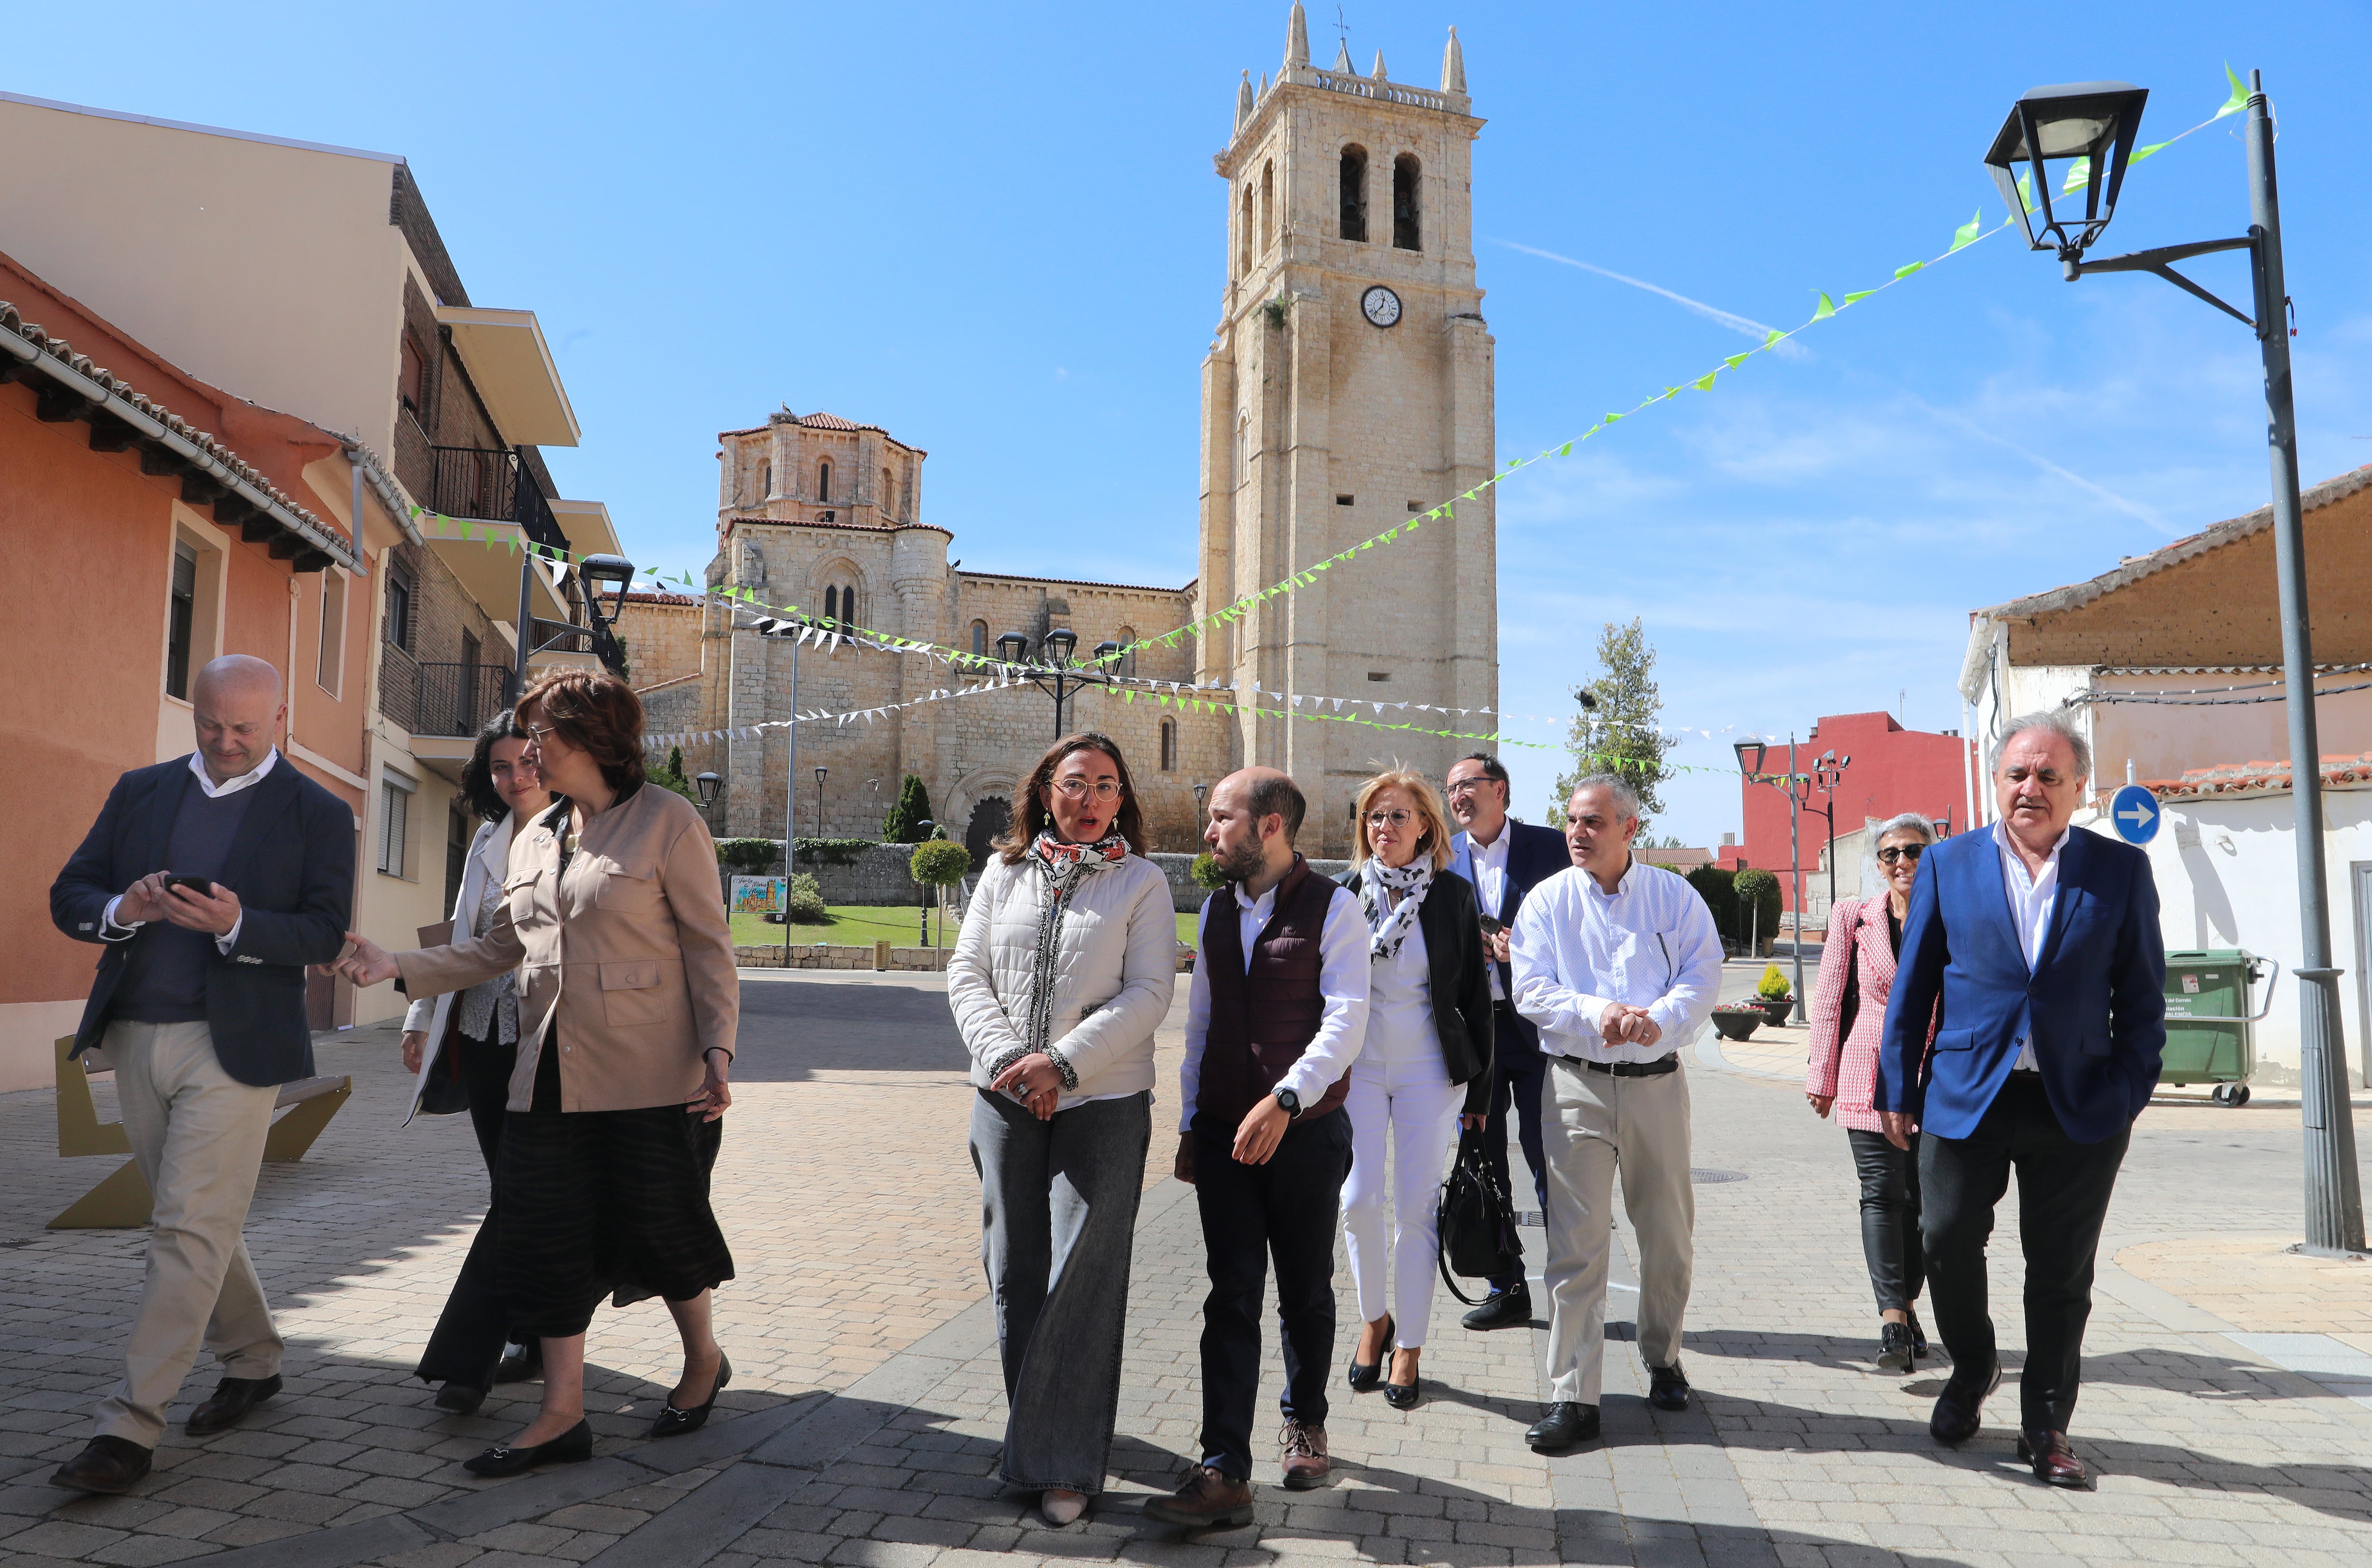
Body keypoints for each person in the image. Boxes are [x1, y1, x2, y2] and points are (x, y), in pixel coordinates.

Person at [328, 669, 739, 1477]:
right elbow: (497, 949)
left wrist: (718, 1051)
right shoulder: (535, 836)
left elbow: (708, 947)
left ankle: (701, 1361)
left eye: (541, 737)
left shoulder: (668, 823)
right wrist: (399, 967)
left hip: (652, 1074)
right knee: (546, 1239)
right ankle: (561, 1415)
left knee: (664, 1230)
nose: (525, 753)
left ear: (590, 738)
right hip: (542, 1070)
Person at [46, 655, 355, 1495]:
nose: (225, 743)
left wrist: (240, 924)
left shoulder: (319, 812)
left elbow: (327, 933)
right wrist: (122, 911)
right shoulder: (141, 790)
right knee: (197, 1223)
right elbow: (69, 891)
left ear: (280, 720)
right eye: (211, 725)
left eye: (245, 729)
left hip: (237, 1050)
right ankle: (254, 1360)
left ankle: (127, 1428)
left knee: (183, 1230)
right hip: (136, 1038)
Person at [1876, 712, 2165, 1489]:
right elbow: (1914, 991)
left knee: (2061, 1272)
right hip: (1967, 1095)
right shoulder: (1948, 864)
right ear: (1995, 782)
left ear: (2077, 787)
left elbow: (2143, 1001)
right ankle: (1973, 1370)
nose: (2029, 788)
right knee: (1941, 1239)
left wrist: (2126, 1095)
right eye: (2016, 774)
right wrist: (1898, 1089)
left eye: (2047, 776)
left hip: (2078, 1105)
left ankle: (2047, 1424)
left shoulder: (2119, 872)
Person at [947, 733, 1176, 1527]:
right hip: (1003, 1092)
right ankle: (1036, 1434)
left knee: (1080, 1275)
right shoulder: (1001, 872)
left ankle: (1065, 1461)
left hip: (1104, 1102)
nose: (1090, 800)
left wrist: (1063, 1065)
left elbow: (1149, 992)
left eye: (1107, 786)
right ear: (1045, 791)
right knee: (1014, 1269)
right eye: (1075, 784)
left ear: (1123, 801)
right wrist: (1014, 1058)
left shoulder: (1143, 882)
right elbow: (965, 972)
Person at [1143, 768, 1369, 1527]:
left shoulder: (1337, 909)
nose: (1209, 832)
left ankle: (1305, 1420)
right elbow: (1201, 1024)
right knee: (1231, 1293)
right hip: (1222, 1139)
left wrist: (1286, 1098)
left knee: (1304, 1290)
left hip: (1305, 1134)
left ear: (1270, 825)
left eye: (1220, 817)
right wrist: (1190, 1122)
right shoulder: (1212, 910)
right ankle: (1224, 1471)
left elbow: (1346, 1024)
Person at [1513, 775, 1723, 1453]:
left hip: (1657, 1084)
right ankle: (1574, 1395)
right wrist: (1600, 1014)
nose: (1578, 832)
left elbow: (1703, 971)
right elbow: (1532, 988)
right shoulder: (1547, 901)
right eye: (1572, 819)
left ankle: (1662, 1356)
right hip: (1575, 1084)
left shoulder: (1674, 896)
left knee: (1667, 1235)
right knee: (1576, 1245)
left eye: (1594, 822)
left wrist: (1654, 1022)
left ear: (1630, 828)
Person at [398, 711, 553, 1413]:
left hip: (544, 1038)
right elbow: (460, 933)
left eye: (526, 761)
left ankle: (472, 1355)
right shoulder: (488, 839)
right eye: (500, 766)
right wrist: (420, 1016)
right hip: (485, 1034)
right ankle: (537, 1331)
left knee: (520, 1191)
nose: (515, 776)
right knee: (510, 1185)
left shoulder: (575, 834)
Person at [1337, 769, 1492, 1411]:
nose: (1385, 829)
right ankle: (1376, 1318)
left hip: (1430, 1069)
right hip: (1362, 1069)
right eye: (1376, 817)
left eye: (1399, 816)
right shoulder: (1346, 895)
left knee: (1415, 1209)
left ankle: (1411, 1347)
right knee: (1359, 1200)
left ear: (1426, 825)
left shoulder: (1453, 896)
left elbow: (1475, 1000)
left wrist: (1480, 1096)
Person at [1805, 812, 1939, 1374]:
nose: (1902, 862)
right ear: (1878, 863)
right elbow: (1831, 995)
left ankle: (1907, 1309)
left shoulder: (1951, 913)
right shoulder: (1852, 916)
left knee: (1931, 1208)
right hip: (1868, 1071)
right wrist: (1821, 1074)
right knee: (1881, 1194)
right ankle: (1891, 1319)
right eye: (1890, 854)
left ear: (1930, 854)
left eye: (1912, 851)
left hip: (1938, 1077)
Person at [1443, 752, 1571, 1331]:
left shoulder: (1551, 848)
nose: (1456, 796)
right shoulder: (1441, 855)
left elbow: (1580, 923)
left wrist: (1527, 948)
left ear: (1500, 789)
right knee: (1482, 1160)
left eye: (1466, 784)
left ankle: (1572, 1289)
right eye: (1449, 789)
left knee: (1554, 1159)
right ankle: (1506, 1286)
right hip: (1474, 1036)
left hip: (1538, 1031)